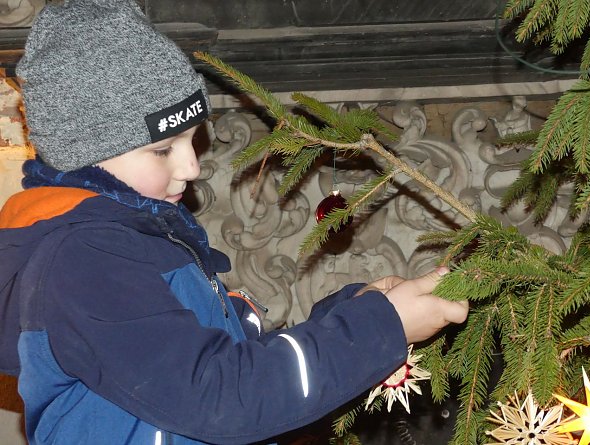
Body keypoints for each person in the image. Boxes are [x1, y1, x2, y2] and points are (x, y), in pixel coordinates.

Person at [0, 1, 469, 444]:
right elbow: (224, 398)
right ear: (88, 154)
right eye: (163, 149)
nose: (191, 167)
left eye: (191, 139)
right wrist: (380, 327)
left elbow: (238, 366)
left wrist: (353, 311)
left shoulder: (139, 244)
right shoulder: (86, 262)